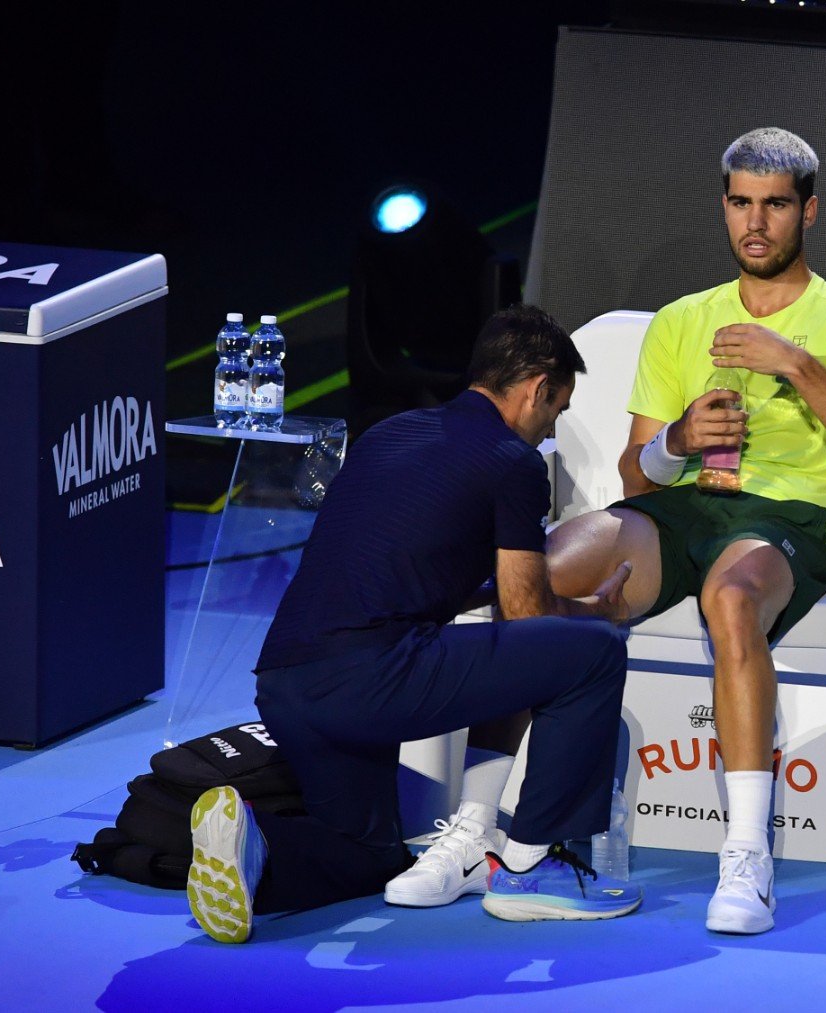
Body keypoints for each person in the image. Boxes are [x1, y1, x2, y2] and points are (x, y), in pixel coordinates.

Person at [546, 127, 826, 935]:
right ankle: (485, 831)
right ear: (724, 206)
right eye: (742, 203)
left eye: (775, 205)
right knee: (541, 574)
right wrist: (678, 438)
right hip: (684, 509)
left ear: (808, 211)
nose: (756, 222)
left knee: (732, 598)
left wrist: (797, 365)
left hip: (784, 517)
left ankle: (747, 855)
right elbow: (637, 479)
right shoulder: (681, 320)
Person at [186, 304, 640, 944]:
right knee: (592, 651)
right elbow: (527, 614)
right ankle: (535, 868)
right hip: (374, 678)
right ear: (537, 388)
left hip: (285, 683)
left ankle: (256, 848)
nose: (548, 430)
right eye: (556, 411)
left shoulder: (387, 434)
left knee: (369, 855)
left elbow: (400, 562)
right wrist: (597, 612)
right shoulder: (513, 462)